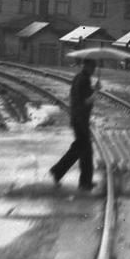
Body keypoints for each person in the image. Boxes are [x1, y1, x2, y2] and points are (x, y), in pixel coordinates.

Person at [49, 59, 100, 190]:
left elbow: (80, 96)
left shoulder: (79, 77)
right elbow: (87, 101)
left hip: (78, 118)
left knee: (85, 151)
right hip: (80, 119)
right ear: (87, 66)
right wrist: (96, 91)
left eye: (94, 68)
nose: (94, 70)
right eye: (92, 67)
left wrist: (93, 89)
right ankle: (59, 171)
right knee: (80, 150)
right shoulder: (84, 80)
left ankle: (84, 181)